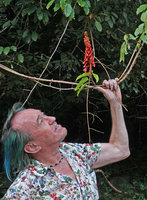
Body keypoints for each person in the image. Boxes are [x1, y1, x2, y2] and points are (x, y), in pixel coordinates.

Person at [1, 78, 130, 200]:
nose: (52, 119)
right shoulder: (25, 186)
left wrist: (116, 104)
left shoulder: (73, 152)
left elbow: (120, 149)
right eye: (41, 121)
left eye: (44, 115)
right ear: (32, 146)